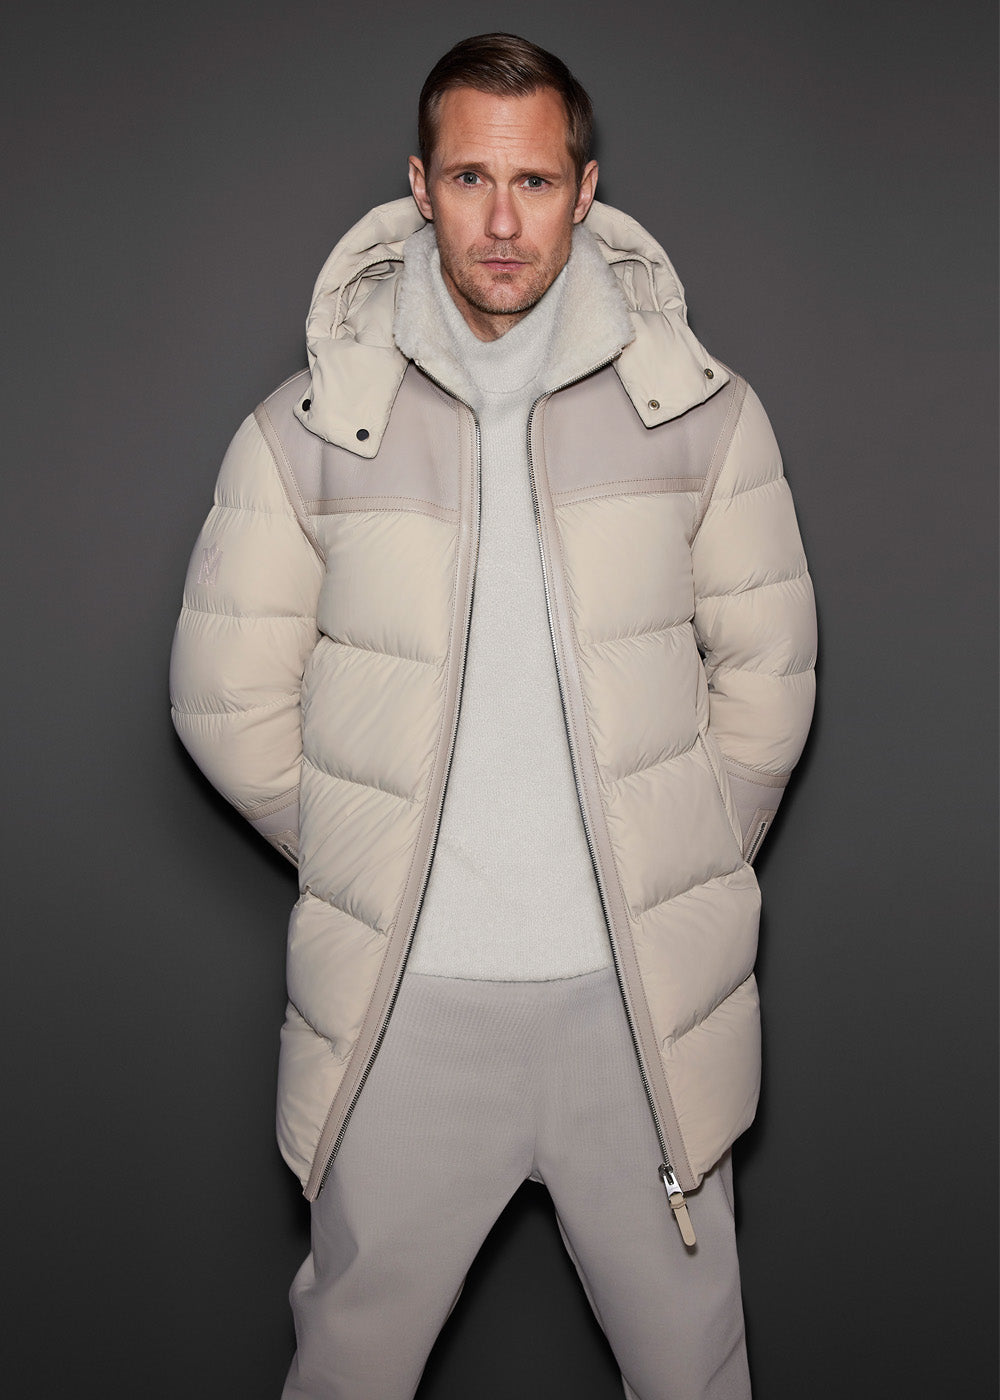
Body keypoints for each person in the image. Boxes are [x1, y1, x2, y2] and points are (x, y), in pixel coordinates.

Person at [170, 32, 816, 1400]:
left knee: (695, 1375)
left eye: (533, 181)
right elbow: (224, 700)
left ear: (586, 189)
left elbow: (770, 675)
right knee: (349, 1372)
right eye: (469, 178)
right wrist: (378, 854)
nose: (503, 221)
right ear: (420, 186)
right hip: (405, 1013)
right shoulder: (308, 430)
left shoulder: (704, 417)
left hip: (637, 1013)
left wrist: (674, 854)